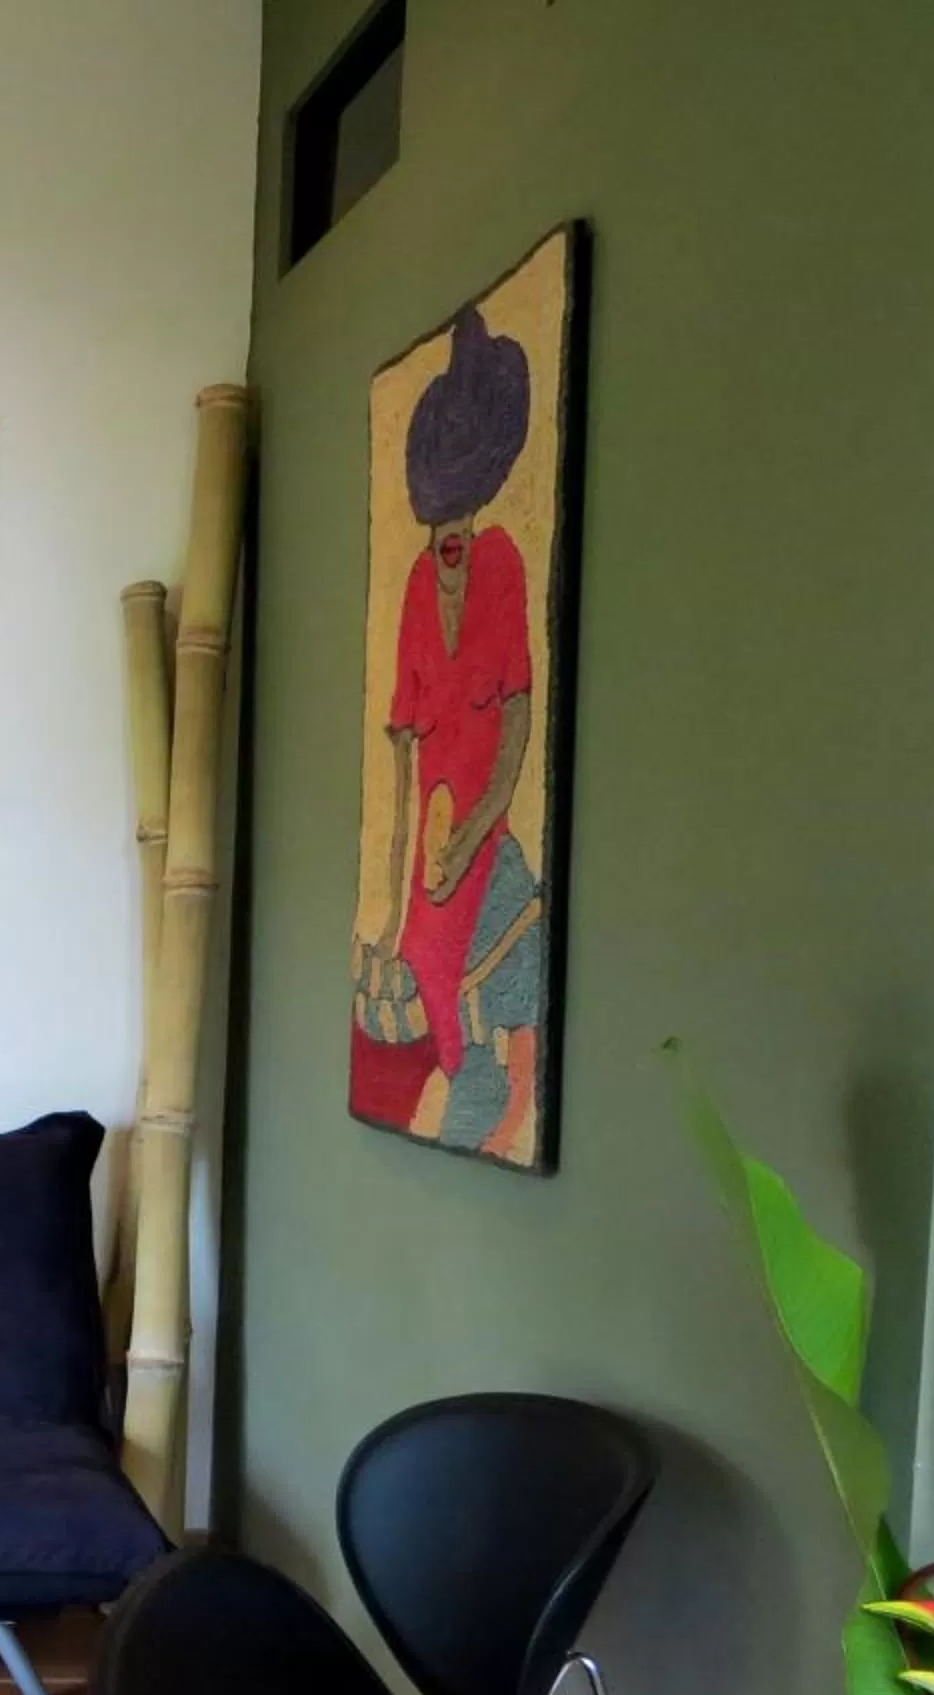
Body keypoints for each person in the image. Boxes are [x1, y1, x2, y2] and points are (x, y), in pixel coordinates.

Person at [354, 306, 549, 1164]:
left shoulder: (505, 562)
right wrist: (395, 904)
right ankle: (469, 1078)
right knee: (429, 959)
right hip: (434, 830)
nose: (453, 552)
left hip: (481, 821)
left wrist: (476, 831)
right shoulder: (410, 596)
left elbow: (517, 718)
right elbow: (400, 760)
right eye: (441, 539)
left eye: (462, 533)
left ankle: (506, 1092)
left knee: (508, 943)